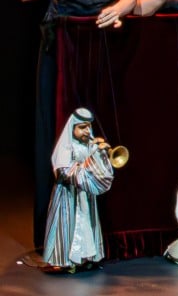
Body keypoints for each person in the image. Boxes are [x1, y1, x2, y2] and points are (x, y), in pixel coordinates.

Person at [18, 0, 140, 249]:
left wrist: (120, 8)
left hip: (105, 43)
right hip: (64, 44)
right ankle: (56, 235)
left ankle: (110, 233)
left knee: (105, 134)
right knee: (61, 134)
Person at [40, 107, 116, 273]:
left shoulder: (90, 145)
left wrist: (101, 154)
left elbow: (100, 171)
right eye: (82, 127)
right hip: (68, 194)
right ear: (72, 127)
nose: (86, 130)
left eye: (88, 126)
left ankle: (87, 257)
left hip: (85, 195)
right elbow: (64, 171)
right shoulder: (67, 146)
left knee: (87, 225)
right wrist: (87, 168)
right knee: (70, 226)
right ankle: (67, 260)